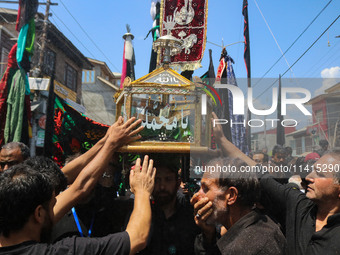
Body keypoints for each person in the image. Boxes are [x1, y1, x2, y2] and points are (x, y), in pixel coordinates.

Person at [210, 112, 340, 254]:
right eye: (312, 170)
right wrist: (222, 140)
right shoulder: (298, 206)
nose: (309, 177)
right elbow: (258, 172)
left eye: (320, 174)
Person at [0, 155, 156, 255]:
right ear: (39, 214)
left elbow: (78, 189)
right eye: (53, 205)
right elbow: (137, 238)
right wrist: (142, 191)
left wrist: (109, 143)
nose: (59, 205)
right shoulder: (64, 251)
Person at [191, 157, 286, 255]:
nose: (197, 195)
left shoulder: (246, 248)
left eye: (205, 188)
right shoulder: (259, 227)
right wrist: (208, 236)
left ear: (231, 195)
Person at [135, 154, 200, 255]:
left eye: (168, 179)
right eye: (157, 180)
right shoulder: (140, 217)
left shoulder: (191, 216)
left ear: (178, 183)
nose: (162, 186)